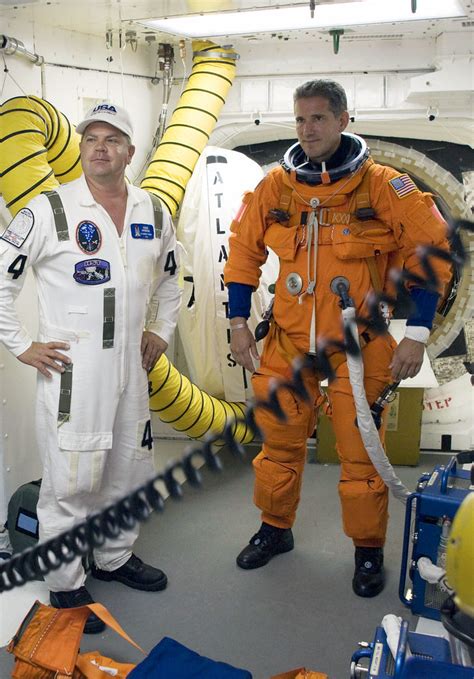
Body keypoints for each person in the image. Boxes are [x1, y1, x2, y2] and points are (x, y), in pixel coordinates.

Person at [223, 79, 452, 597]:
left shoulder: (384, 188)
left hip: (359, 343)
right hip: (287, 342)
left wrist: (415, 334)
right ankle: (275, 529)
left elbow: (433, 251)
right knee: (278, 446)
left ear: (344, 120)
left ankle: (368, 551)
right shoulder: (275, 188)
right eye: (301, 120)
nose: (308, 130)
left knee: (361, 455)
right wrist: (238, 322)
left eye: (319, 119)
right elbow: (242, 254)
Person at [0, 102, 181, 632]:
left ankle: (115, 557)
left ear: (129, 151)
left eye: (112, 138)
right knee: (72, 482)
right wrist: (20, 344)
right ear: (81, 148)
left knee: (125, 470)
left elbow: (172, 278)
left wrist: (160, 331)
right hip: (75, 373)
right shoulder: (48, 211)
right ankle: (66, 585)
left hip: (132, 369)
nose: (99, 147)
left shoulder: (154, 211)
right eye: (91, 138)